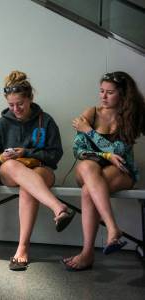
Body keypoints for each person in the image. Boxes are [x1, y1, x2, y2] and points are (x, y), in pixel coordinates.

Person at [0, 70, 75, 271]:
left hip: (40, 171)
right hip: (10, 172)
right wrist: (3, 157)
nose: (16, 109)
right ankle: (58, 208)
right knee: (12, 166)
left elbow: (55, 155)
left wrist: (28, 152)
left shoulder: (45, 121)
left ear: (30, 98)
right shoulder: (3, 123)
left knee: (28, 186)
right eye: (11, 105)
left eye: (20, 103)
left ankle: (22, 249)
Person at [63, 71, 145, 271]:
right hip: (89, 169)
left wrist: (89, 131)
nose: (103, 97)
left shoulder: (130, 116)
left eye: (110, 92)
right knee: (88, 165)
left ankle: (87, 253)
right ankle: (112, 227)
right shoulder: (91, 113)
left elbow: (120, 152)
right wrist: (105, 156)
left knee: (88, 192)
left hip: (121, 171)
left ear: (123, 95)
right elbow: (78, 150)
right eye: (101, 91)